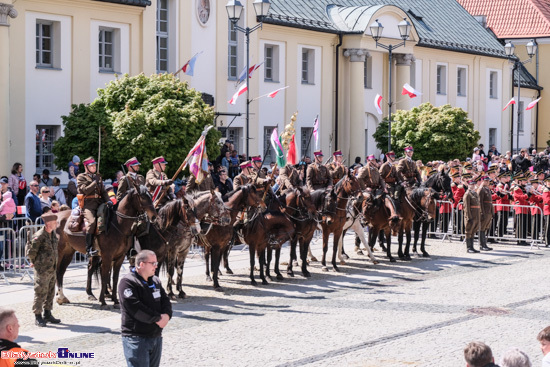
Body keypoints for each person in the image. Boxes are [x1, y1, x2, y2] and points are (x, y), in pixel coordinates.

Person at [118, 250, 172, 367]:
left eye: (156, 263)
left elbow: (165, 300)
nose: (156, 266)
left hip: (155, 336)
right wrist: (157, 318)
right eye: (153, 263)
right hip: (136, 338)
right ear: (141, 264)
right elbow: (135, 308)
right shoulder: (127, 282)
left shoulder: (155, 280)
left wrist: (167, 315)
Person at [27, 213, 61, 327]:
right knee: (40, 292)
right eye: (54, 222)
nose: (57, 224)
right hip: (42, 269)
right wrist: (33, 262)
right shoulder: (39, 236)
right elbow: (31, 252)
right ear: (48, 224)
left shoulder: (52, 234)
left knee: (50, 292)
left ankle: (47, 313)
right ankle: (37, 315)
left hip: (52, 268)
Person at [77, 157, 112, 257]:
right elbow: (84, 190)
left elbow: (103, 191)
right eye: (91, 166)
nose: (94, 167)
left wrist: (108, 200)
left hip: (99, 203)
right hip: (88, 205)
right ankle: (88, 248)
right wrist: (94, 182)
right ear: (86, 167)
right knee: (92, 222)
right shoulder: (81, 177)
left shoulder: (97, 176)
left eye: (94, 165)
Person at [463, 179, 481, 253]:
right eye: (471, 184)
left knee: (473, 231)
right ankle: (468, 247)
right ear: (468, 185)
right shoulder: (467, 194)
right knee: (468, 231)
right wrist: (468, 217)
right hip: (471, 215)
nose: (473, 186)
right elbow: (466, 207)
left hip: (476, 215)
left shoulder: (475, 193)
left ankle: (472, 247)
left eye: (474, 184)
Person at [477, 176, 494, 251]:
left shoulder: (487, 189)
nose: (487, 182)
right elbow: (480, 202)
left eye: (488, 181)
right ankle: (482, 245)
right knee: (482, 228)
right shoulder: (481, 189)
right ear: (482, 181)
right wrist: (481, 212)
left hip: (488, 211)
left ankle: (484, 244)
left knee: (485, 228)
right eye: (486, 181)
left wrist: (492, 211)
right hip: (484, 211)